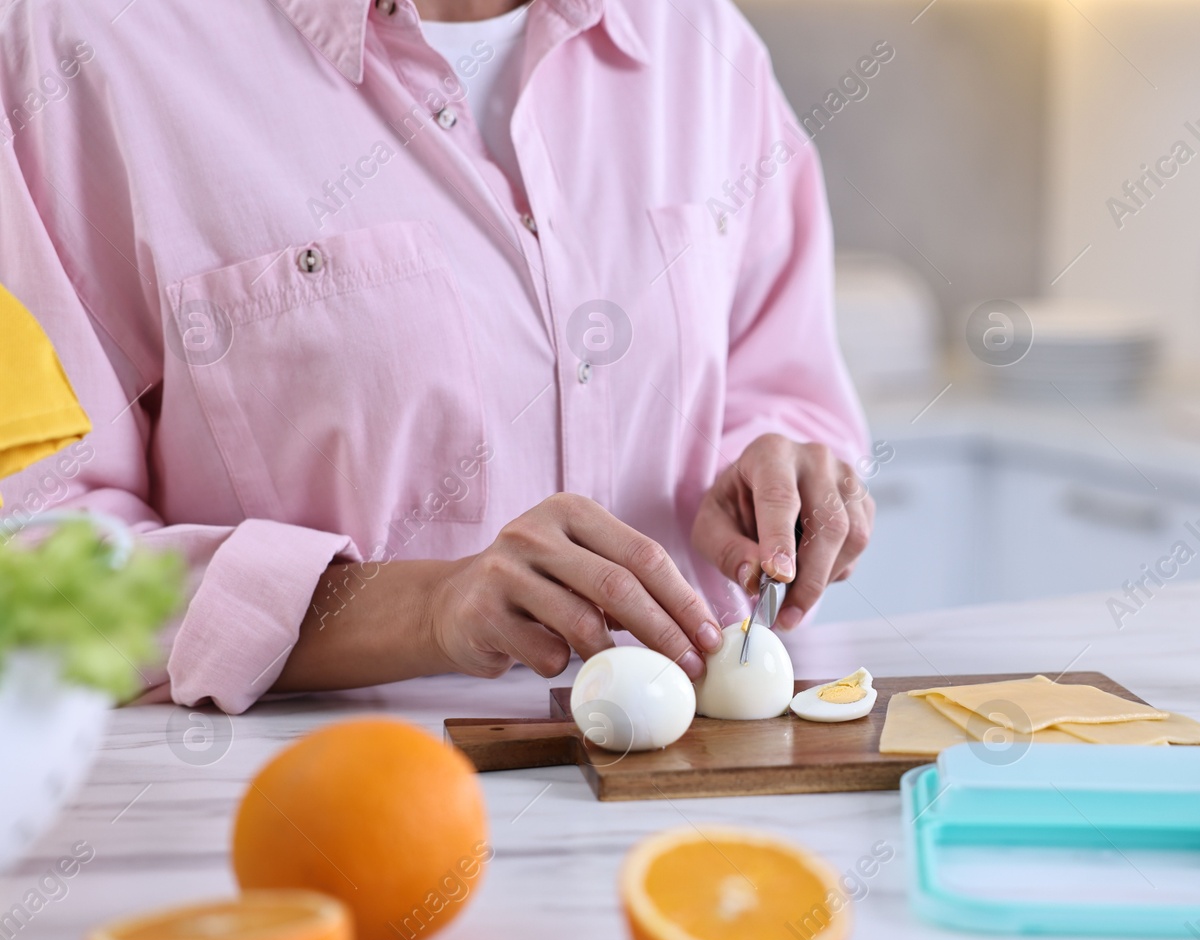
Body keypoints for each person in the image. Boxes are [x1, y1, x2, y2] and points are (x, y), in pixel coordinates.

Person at [0, 0, 873, 713]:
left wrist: (780, 473)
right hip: (297, 840)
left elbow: (775, 387)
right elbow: (34, 562)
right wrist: (422, 605)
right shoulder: (82, 42)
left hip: (690, 816)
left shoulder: (702, 42)